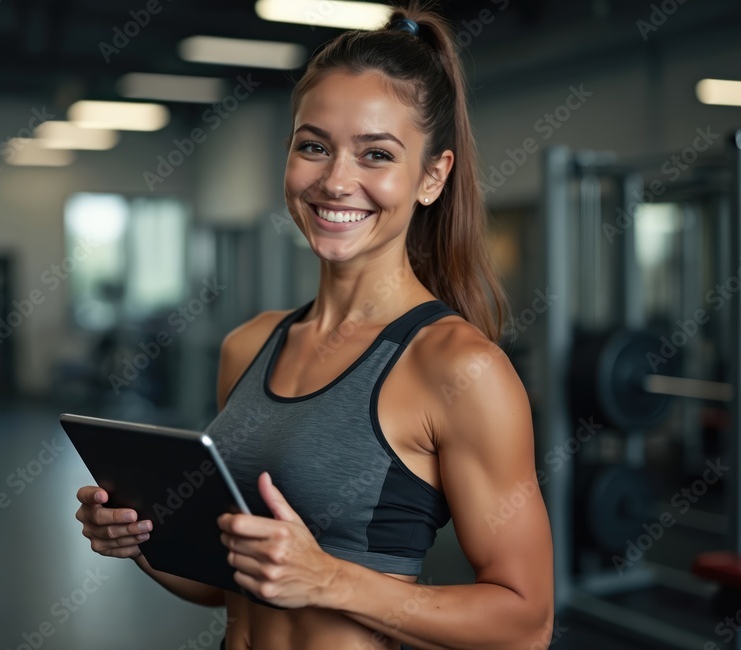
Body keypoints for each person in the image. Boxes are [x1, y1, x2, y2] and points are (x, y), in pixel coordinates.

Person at [75, 3, 554, 648]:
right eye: (314, 147)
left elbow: (526, 622)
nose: (335, 181)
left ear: (432, 176)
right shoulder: (248, 345)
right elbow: (232, 582)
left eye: (376, 154)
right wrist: (139, 541)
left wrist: (330, 580)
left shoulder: (458, 368)